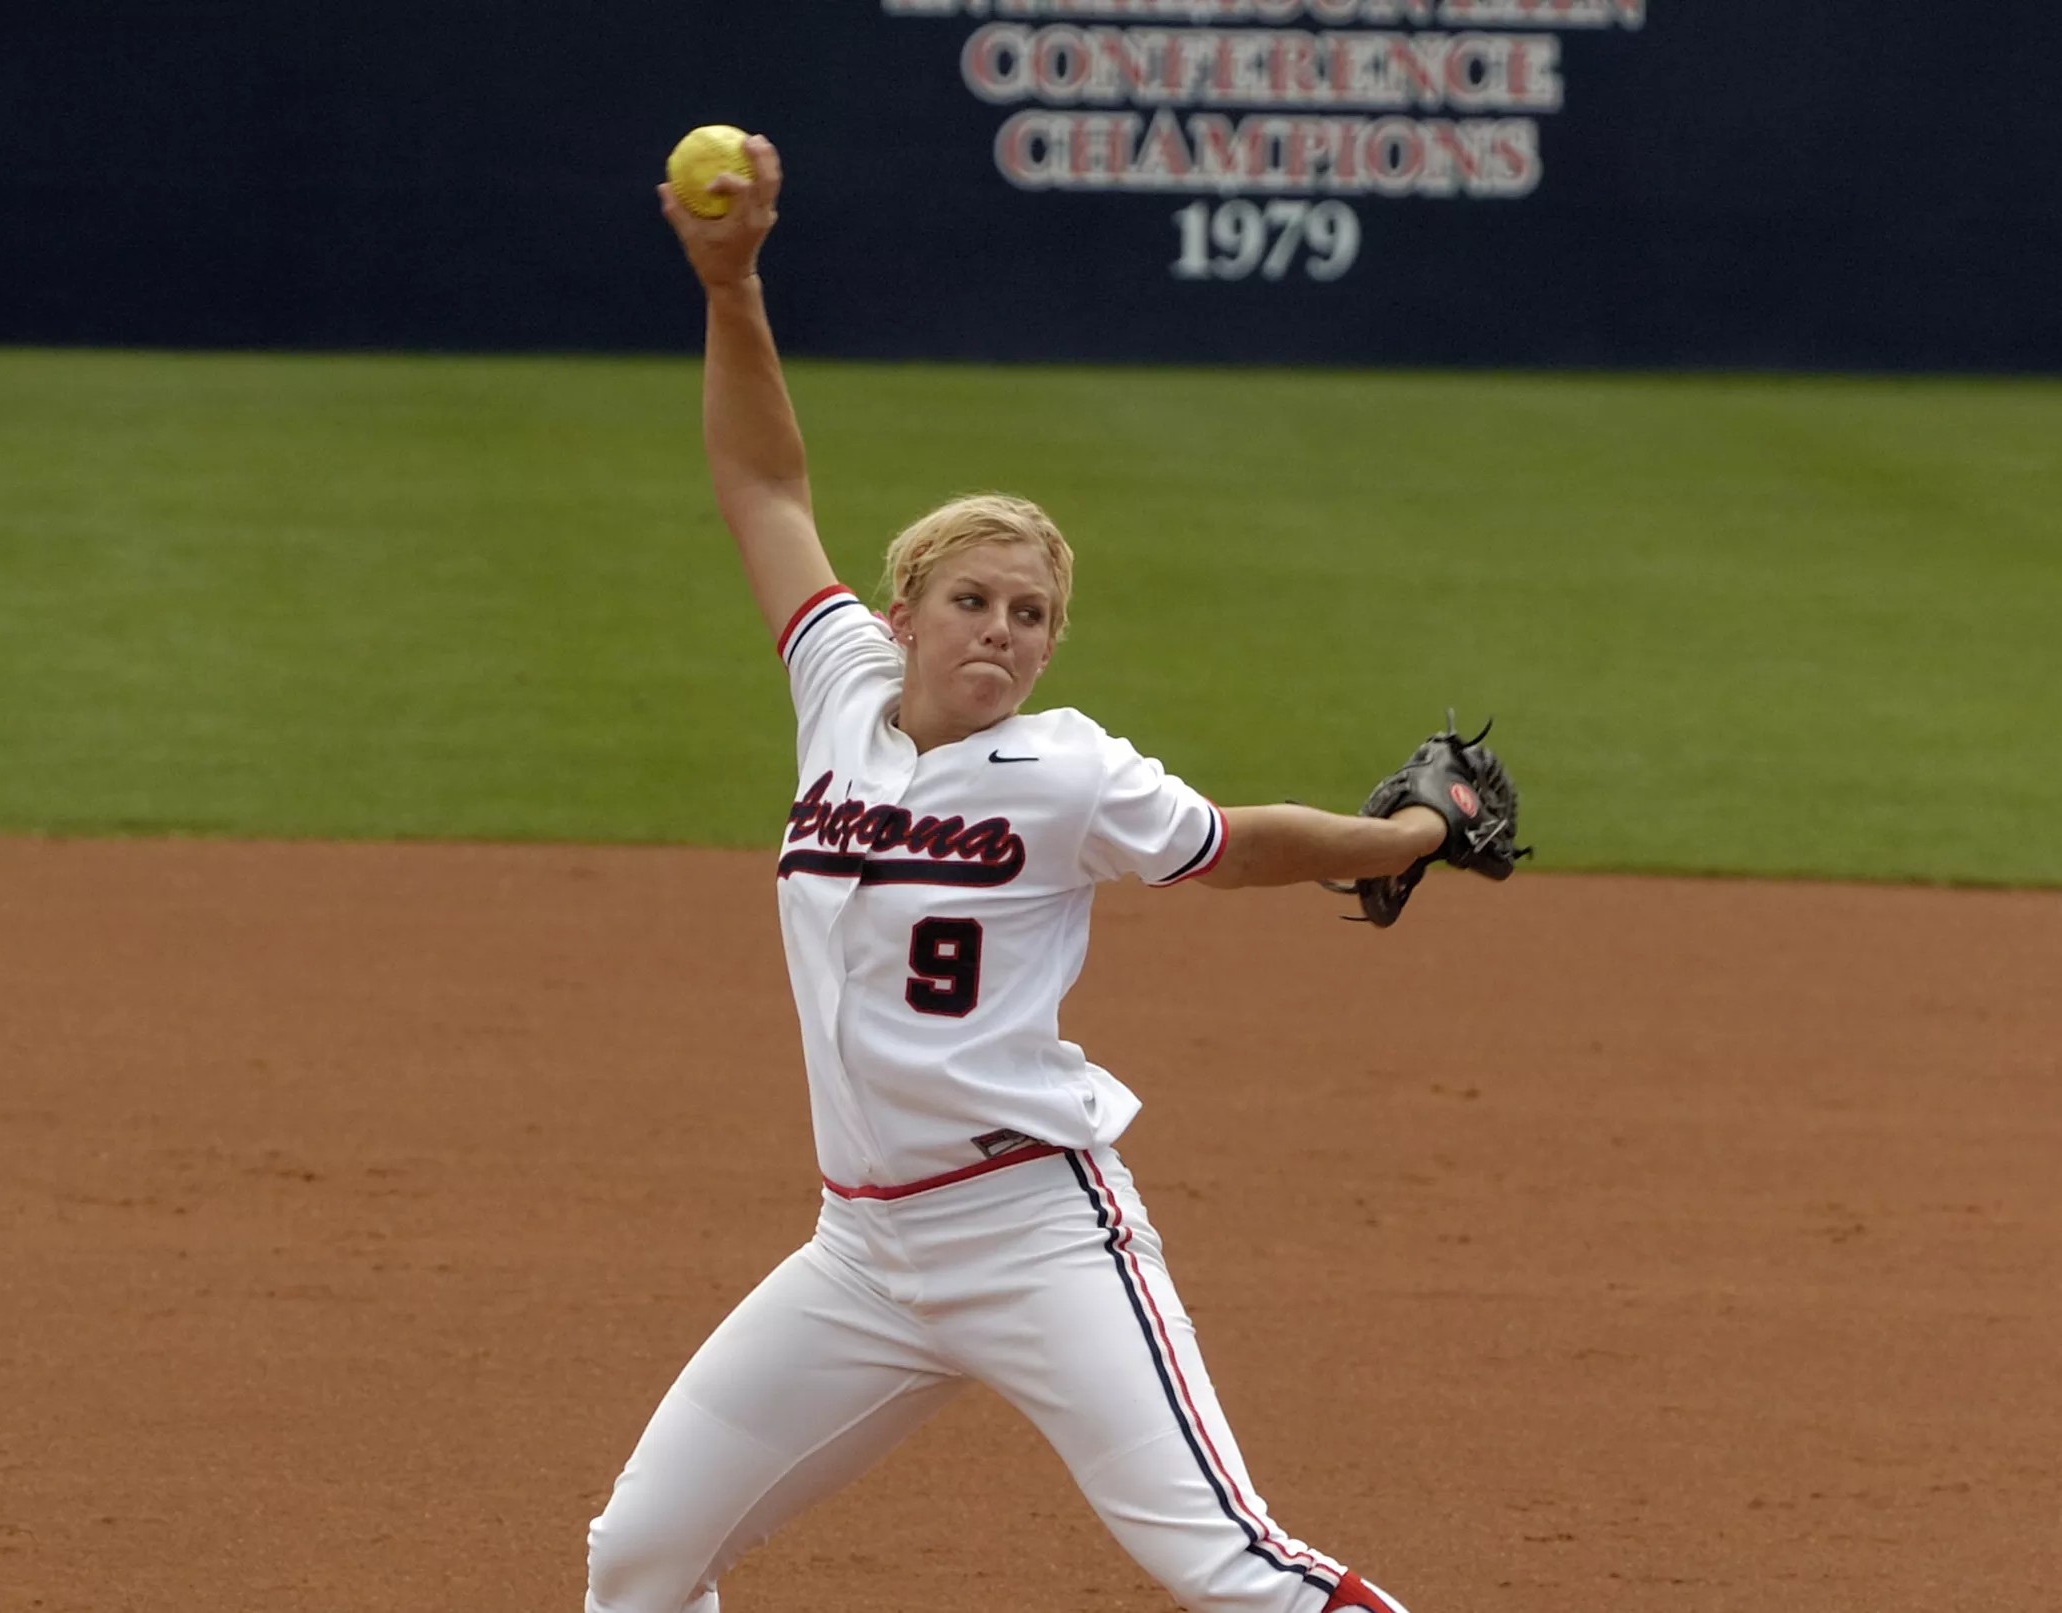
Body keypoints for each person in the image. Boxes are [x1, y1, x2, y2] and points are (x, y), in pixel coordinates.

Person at [591, 132, 1461, 1613]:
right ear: (904, 609)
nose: (1002, 630)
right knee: (641, 1554)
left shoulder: (1066, 767)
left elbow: (1231, 845)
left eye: (1033, 613)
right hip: (859, 1252)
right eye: (974, 601)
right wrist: (732, 288)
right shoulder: (837, 688)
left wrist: (1410, 835)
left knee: (1228, 1563)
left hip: (1033, 1229)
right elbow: (761, 480)